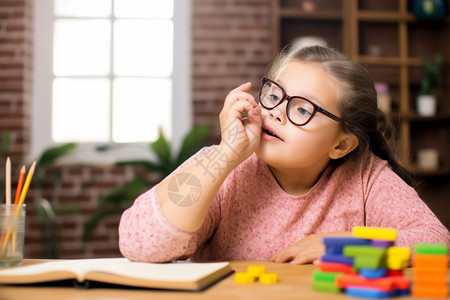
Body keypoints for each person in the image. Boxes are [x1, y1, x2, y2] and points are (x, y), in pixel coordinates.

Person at [118, 45, 450, 264]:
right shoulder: (226, 165)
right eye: (274, 95)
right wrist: (226, 154)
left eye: (302, 109)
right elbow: (139, 241)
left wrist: (343, 247)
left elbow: (437, 242)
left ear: (341, 145)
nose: (275, 112)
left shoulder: (365, 177)